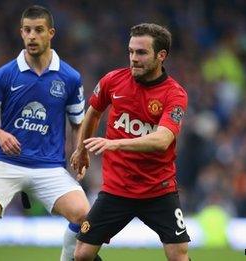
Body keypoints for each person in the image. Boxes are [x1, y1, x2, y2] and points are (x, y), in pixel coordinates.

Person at [0, 5, 93, 261]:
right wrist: (0, 135)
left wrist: (80, 150)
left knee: (84, 216)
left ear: (50, 33)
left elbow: (78, 122)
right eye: (27, 30)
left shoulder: (70, 77)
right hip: (7, 163)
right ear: (21, 33)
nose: (32, 36)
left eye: (39, 30)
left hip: (49, 166)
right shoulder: (5, 74)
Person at [70, 23, 191, 261]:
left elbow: (162, 140)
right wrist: (81, 149)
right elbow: (93, 113)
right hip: (117, 188)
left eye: (142, 52)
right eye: (131, 51)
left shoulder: (174, 94)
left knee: (178, 256)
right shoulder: (112, 81)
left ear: (161, 55)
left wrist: (115, 143)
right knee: (82, 254)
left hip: (158, 189)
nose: (134, 58)